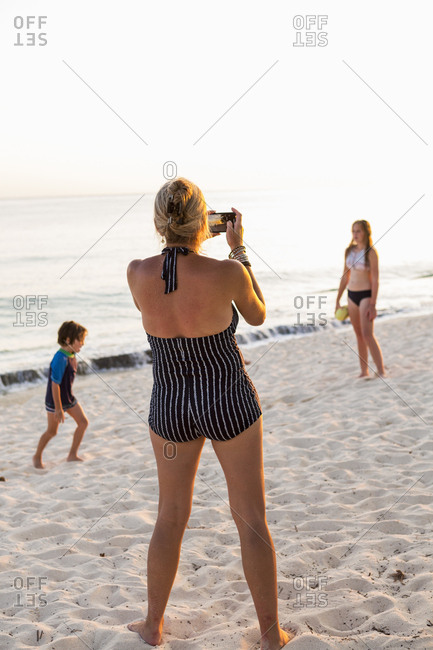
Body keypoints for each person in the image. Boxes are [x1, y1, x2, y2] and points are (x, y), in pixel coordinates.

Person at [126, 178, 296, 649]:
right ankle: (269, 635)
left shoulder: (136, 272)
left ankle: (154, 626)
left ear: (161, 221)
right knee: (251, 519)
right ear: (204, 221)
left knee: (169, 517)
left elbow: (167, 292)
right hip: (227, 398)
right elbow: (258, 315)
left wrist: (192, 244)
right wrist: (239, 250)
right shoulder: (227, 272)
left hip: (171, 403)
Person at [33, 321, 89, 469]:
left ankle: (72, 455)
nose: (82, 344)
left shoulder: (72, 355)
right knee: (52, 431)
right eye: (80, 340)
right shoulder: (60, 358)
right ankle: (37, 456)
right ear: (69, 340)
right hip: (54, 400)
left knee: (83, 423)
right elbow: (55, 384)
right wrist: (58, 408)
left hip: (68, 397)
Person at [335, 220, 386, 377]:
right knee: (358, 335)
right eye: (353, 231)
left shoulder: (371, 252)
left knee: (367, 334)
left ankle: (381, 371)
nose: (355, 234)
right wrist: (337, 300)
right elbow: (345, 277)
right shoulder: (349, 251)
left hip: (365, 296)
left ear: (366, 232)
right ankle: (364, 371)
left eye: (358, 231)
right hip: (351, 296)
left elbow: (375, 280)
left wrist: (373, 304)